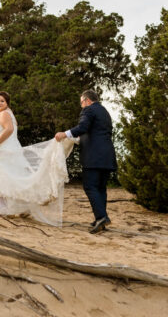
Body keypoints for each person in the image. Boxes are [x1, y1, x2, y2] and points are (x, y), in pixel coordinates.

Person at [0, 91, 72, 226]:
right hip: (7, 149)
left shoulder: (5, 113)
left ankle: (1, 208)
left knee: (4, 178)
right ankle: (20, 207)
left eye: (2, 101)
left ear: (7, 103)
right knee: (11, 178)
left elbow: (9, 130)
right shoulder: (8, 113)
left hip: (3, 149)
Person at [55, 89, 116, 234]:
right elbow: (94, 133)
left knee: (90, 186)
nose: (81, 106)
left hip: (93, 156)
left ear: (87, 101)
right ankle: (102, 218)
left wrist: (65, 134)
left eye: (81, 102)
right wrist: (76, 139)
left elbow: (83, 127)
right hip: (107, 155)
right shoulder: (104, 112)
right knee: (101, 188)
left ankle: (101, 217)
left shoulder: (88, 110)